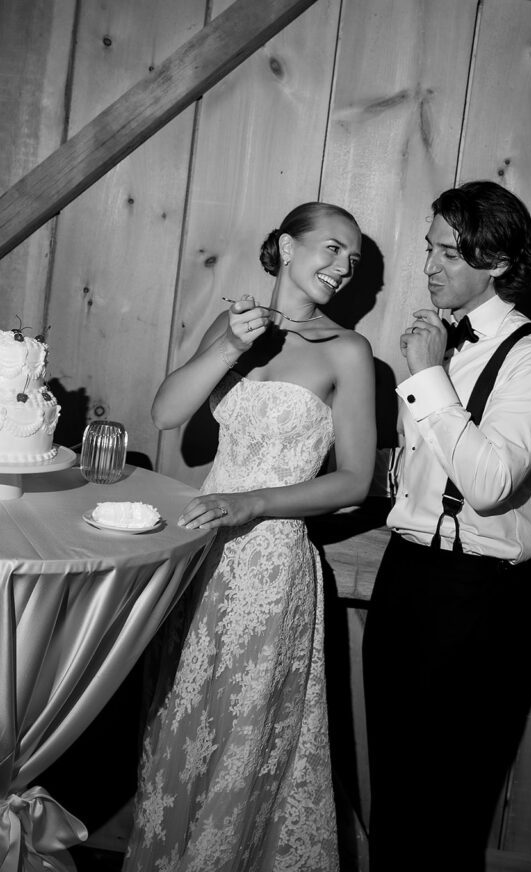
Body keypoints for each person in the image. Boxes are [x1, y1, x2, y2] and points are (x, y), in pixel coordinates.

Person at [123, 202, 376, 872]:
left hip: (270, 566)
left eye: (352, 261)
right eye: (330, 249)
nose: (342, 268)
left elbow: (355, 480)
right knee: (181, 720)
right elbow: (167, 413)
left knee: (242, 738)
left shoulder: (347, 351)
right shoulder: (233, 326)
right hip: (198, 558)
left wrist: (254, 501)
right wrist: (232, 345)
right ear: (286, 247)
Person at [362, 181, 531, 872]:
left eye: (448, 253)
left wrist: (425, 379)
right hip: (406, 576)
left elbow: (488, 485)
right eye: (429, 248)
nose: (429, 266)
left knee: (445, 808)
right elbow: (418, 474)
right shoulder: (443, 343)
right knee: (392, 792)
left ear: (498, 263)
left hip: (473, 596)